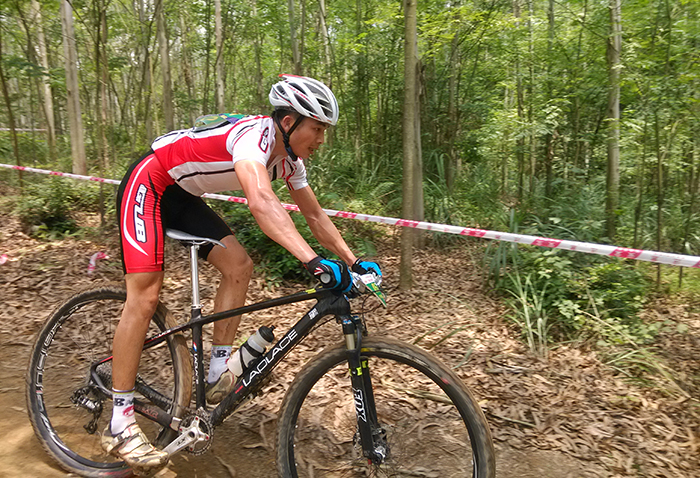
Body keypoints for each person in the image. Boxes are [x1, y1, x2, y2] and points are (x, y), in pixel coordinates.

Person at [102, 74, 381, 474]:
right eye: (317, 129)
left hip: (183, 196)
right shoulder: (253, 138)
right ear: (289, 123)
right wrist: (312, 261)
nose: (322, 139)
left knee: (239, 265)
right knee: (144, 297)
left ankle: (218, 370)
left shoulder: (291, 161)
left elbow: (315, 216)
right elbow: (261, 200)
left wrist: (352, 261)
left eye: (325, 131)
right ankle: (119, 420)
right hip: (149, 182)